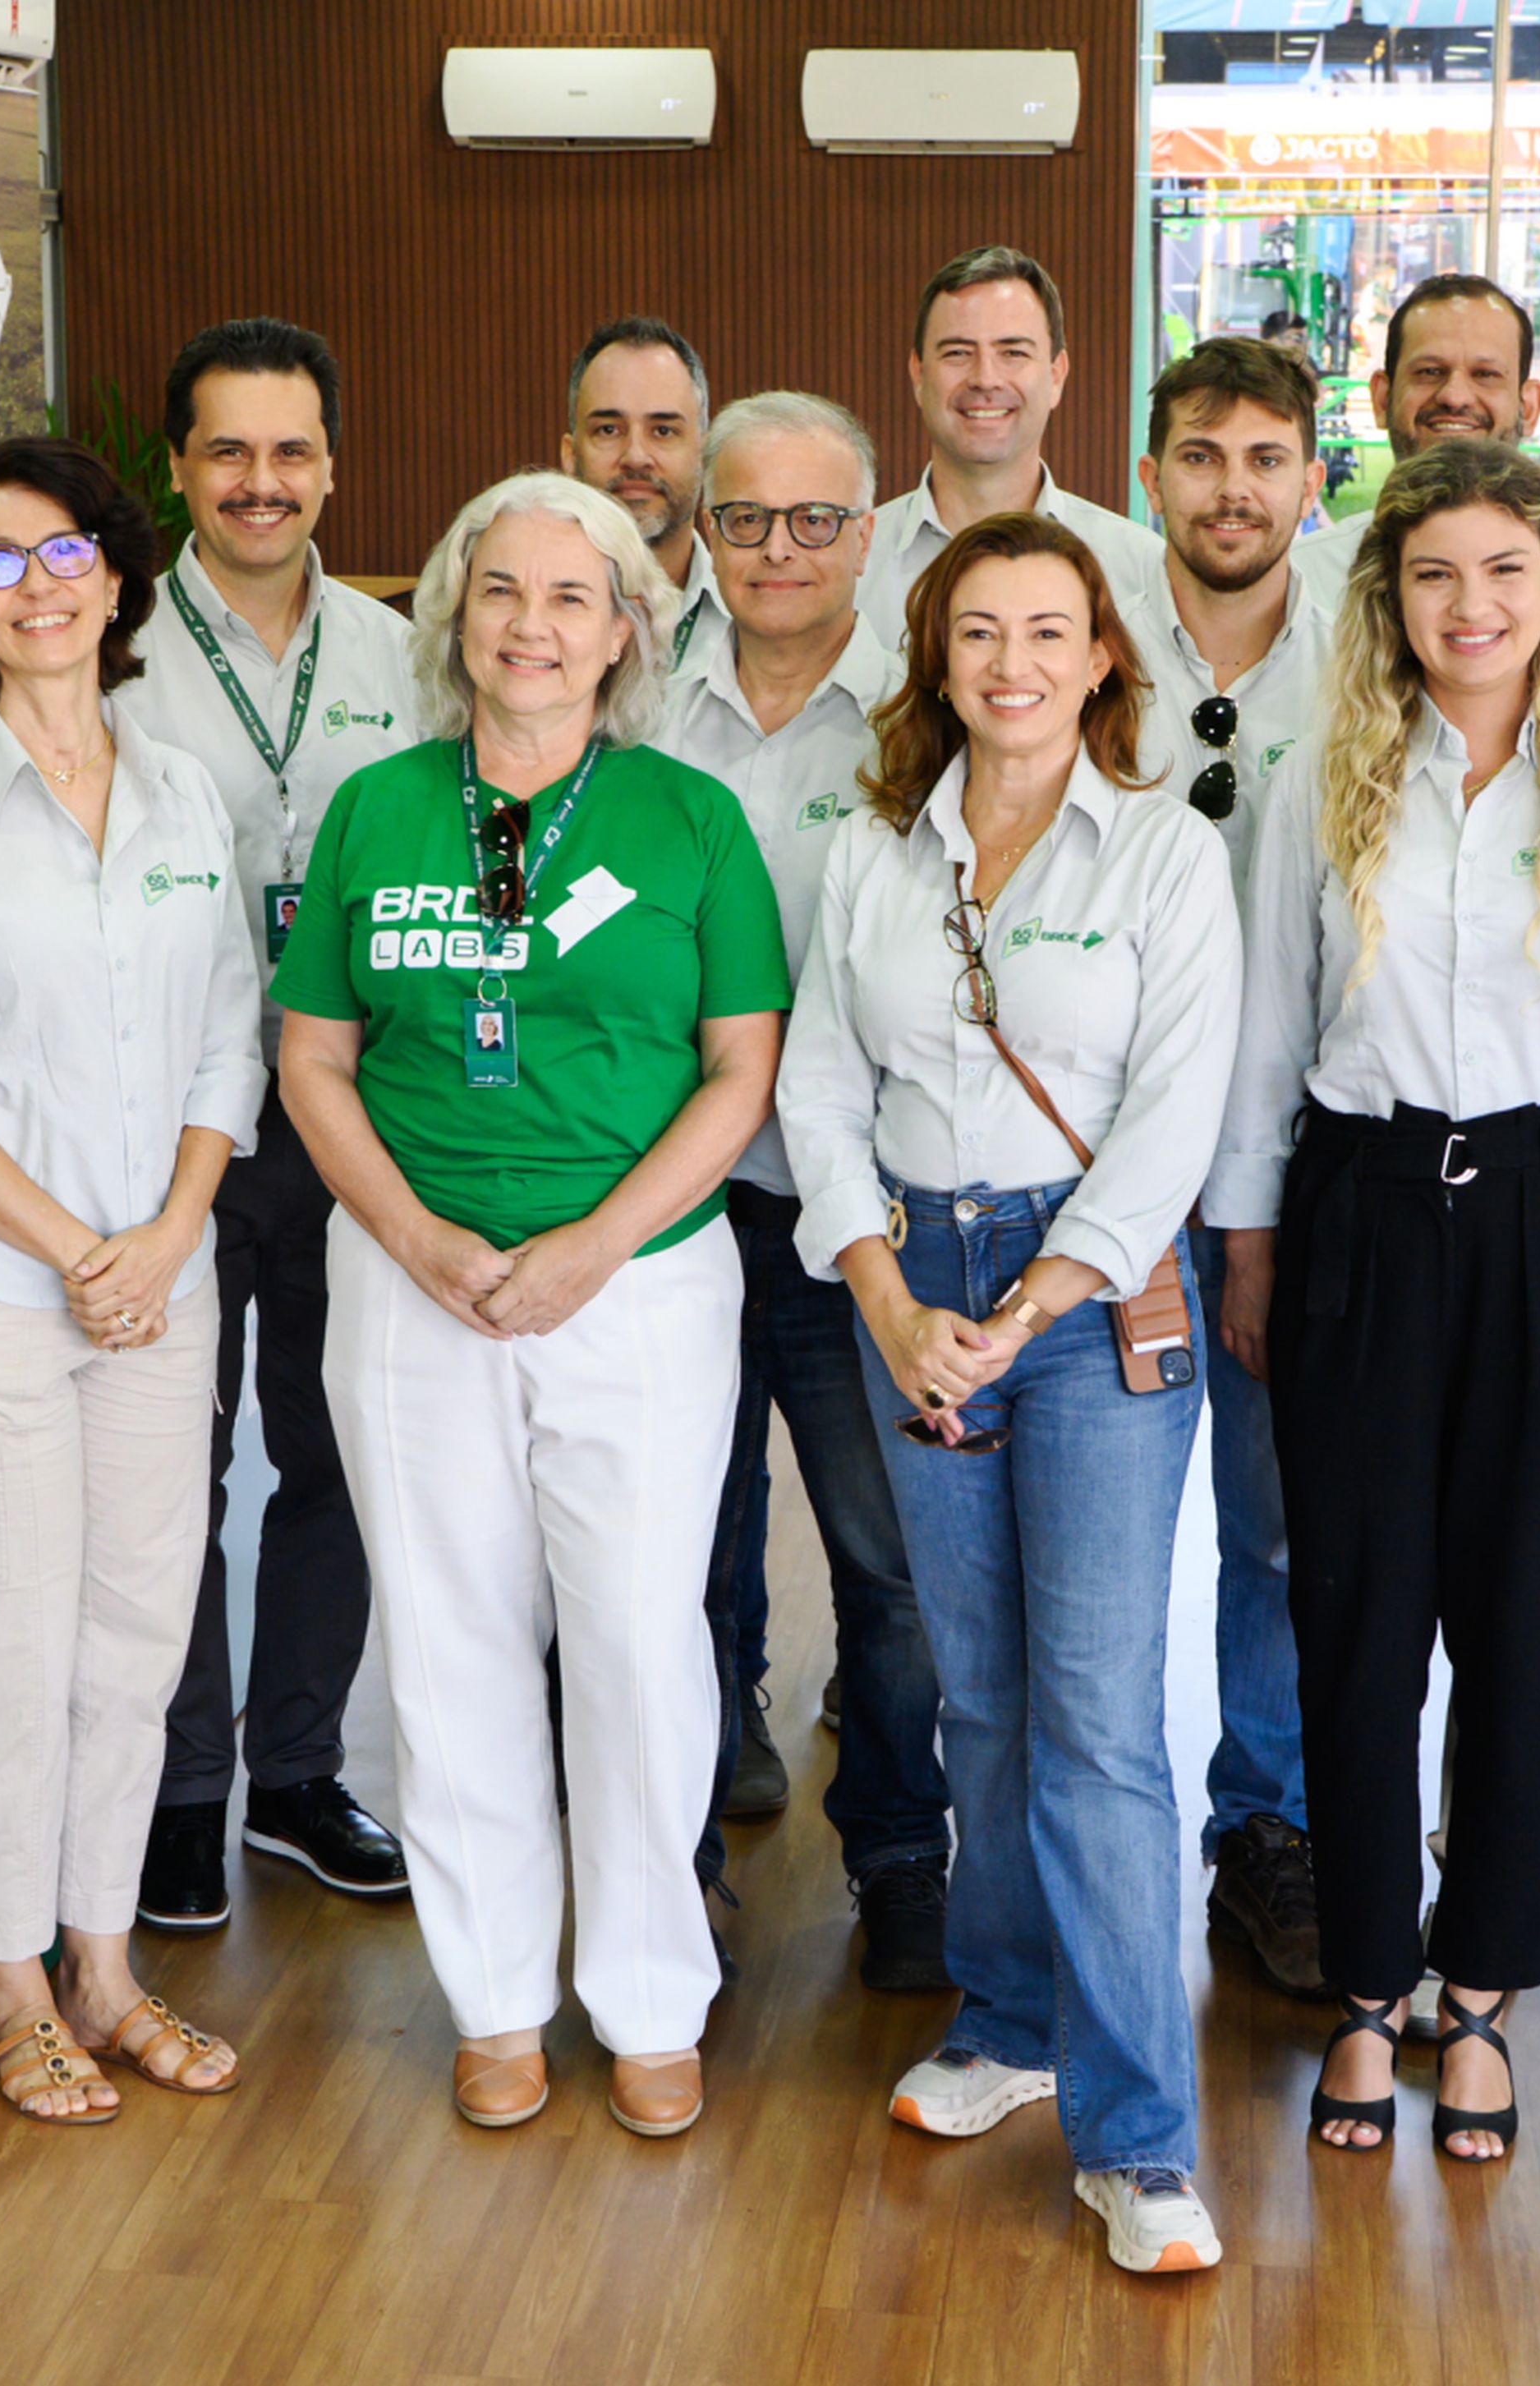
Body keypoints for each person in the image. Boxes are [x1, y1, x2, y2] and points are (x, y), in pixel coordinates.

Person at [1214, 439, 1540, 2165]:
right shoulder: (1318, 778)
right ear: (1389, 597)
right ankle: (1368, 1990)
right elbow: (1266, 1044)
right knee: (1353, 1626)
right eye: (1434, 574)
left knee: (1516, 1620)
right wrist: (1249, 1248)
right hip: (1354, 1210)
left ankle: (1483, 1993)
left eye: (1503, 570)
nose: (1470, 604)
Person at [273, 472, 788, 2140]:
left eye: (571, 597)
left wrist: (589, 1245)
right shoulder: (374, 807)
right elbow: (311, 1059)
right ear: (451, 616)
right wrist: (417, 1237)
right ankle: (493, 1995)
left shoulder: (686, 818)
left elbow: (739, 1073)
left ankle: (648, 1999)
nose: (530, 626)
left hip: (632, 1287)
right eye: (499, 591)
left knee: (641, 1647)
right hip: (412, 1283)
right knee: (447, 1641)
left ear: (624, 629)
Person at [781, 512, 1240, 2274]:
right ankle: (1005, 2018)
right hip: (913, 1279)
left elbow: (1175, 1109)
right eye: (978, 631)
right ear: (935, 655)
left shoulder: (1161, 858)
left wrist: (1044, 1288)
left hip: (1096, 1298)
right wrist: (884, 1294)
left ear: (1103, 656)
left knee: (1099, 1725)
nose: (1013, 664)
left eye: (1048, 631)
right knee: (975, 1694)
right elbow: (818, 1088)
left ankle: (1139, 2140)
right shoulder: (874, 853)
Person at [0, 437, 267, 2126]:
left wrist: (161, 1236)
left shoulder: (180, 795)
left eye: (64, 548)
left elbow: (227, 1030)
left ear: (115, 575)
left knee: (133, 1637)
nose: (37, 583)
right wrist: (74, 1248)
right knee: (5, 1651)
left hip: (161, 1287)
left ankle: (103, 1963)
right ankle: (5, 1984)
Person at [110, 317, 420, 1930]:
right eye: (225, 450)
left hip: (348, 1114)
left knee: (333, 1450)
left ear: (329, 467)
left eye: (289, 451)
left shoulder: (400, 656)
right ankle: (179, 1791)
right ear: (176, 467)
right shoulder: (110, 652)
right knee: (174, 1459)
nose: (259, 482)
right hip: (166, 1126)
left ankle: (297, 1771)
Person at [647, 390, 954, 1990]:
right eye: (745, 518)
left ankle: (900, 1859)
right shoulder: (630, 700)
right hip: (669, 1211)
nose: (778, 550)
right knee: (673, 1553)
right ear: (700, 527)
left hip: (865, 1220)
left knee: (888, 1564)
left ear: (867, 533)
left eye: (815, 519)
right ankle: (676, 1855)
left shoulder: (926, 710)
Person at [1120, 335, 1336, 2004]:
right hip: (1099, 1168)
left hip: (1300, 1176)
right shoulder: (1077, 638)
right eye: (1200, 456)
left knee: (1278, 1531)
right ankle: (1090, 1835)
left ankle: (1265, 1827)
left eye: (1266, 458)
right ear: (1149, 476)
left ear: (1312, 484)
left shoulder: (1368, 662)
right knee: (1098, 1535)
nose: (1232, 488)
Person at [856, 246, 1161, 646]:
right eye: (958, 353)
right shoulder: (851, 569)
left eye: (1013, 353)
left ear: (1056, 376)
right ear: (918, 374)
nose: (985, 379)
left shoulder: (1140, 571)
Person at [1294, 273, 1540, 585]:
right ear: (1382, 399)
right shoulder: (1303, 584)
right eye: (1430, 372)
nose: (1454, 397)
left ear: (1530, 407)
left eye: (1486, 374)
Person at [563, 315, 724, 666]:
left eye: (663, 431)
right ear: (570, 456)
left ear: (704, 455)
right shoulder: (519, 627)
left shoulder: (753, 619)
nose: (636, 457)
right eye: (608, 430)